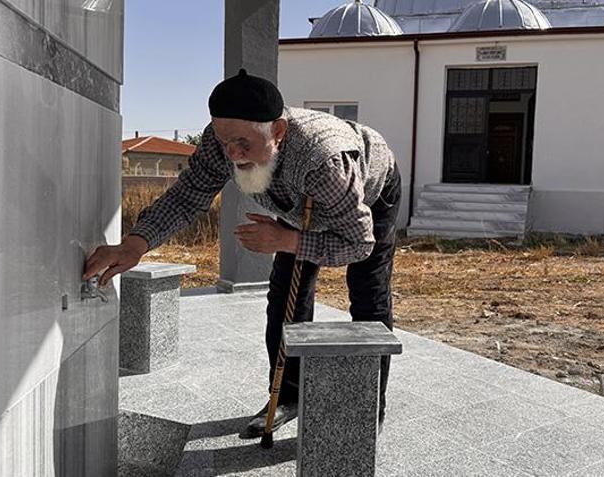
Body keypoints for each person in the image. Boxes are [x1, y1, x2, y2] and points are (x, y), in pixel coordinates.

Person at [83, 69, 400, 437]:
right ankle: (286, 396)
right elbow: (187, 197)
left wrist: (287, 241)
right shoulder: (223, 144)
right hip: (301, 206)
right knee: (285, 299)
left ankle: (369, 404)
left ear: (277, 132)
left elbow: (359, 244)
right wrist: (136, 244)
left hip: (369, 196)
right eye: (224, 141)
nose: (233, 154)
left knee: (368, 297)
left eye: (243, 144)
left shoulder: (325, 160)